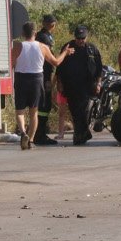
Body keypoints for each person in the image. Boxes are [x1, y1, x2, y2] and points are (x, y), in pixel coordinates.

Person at [12, 21, 73, 150]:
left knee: (20, 111)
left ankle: (23, 133)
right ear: (35, 33)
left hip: (21, 78)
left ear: (23, 33)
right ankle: (30, 139)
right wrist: (65, 52)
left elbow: (11, 64)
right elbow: (56, 62)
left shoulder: (17, 46)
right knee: (34, 112)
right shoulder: (43, 47)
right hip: (36, 79)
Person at [55, 25, 103, 145]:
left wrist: (98, 83)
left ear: (86, 37)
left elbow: (99, 68)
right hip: (71, 85)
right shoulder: (68, 47)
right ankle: (83, 134)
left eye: (82, 38)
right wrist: (59, 83)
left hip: (87, 86)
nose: (80, 41)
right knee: (75, 111)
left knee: (84, 111)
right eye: (78, 38)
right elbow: (59, 67)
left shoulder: (92, 49)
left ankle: (79, 135)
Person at [34, 14, 60, 145]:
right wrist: (48, 79)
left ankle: (40, 133)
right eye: (51, 23)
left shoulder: (45, 36)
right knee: (44, 105)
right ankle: (40, 135)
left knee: (44, 106)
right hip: (44, 74)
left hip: (43, 73)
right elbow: (47, 59)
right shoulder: (44, 37)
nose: (52, 25)